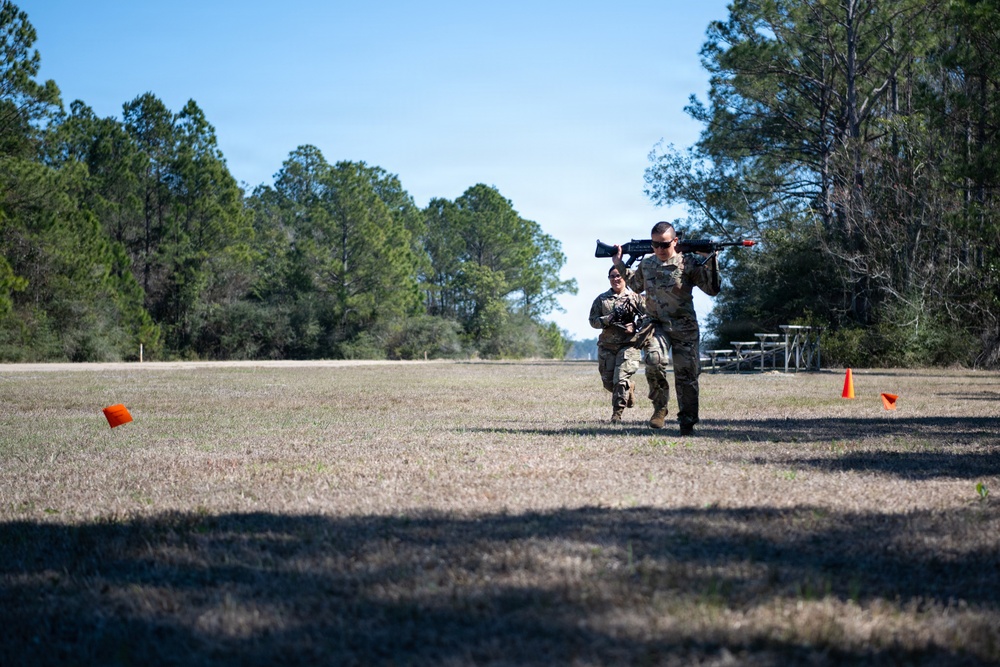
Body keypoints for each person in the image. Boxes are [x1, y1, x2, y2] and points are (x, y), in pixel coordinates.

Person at [613, 221, 720, 435]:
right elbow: (635, 285)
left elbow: (713, 289)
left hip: (684, 326)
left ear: (675, 241)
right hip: (656, 325)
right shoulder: (648, 264)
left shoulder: (688, 263)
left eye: (665, 245)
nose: (660, 249)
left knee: (687, 375)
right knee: (653, 361)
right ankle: (660, 408)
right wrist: (620, 263)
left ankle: (687, 421)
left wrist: (711, 260)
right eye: (655, 245)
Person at [588, 265, 647, 424]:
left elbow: (649, 316)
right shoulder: (601, 299)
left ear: (625, 278)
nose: (615, 279)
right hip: (607, 346)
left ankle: (617, 415)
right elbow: (592, 321)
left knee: (620, 380)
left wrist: (636, 326)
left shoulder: (635, 297)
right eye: (612, 276)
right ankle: (630, 388)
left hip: (629, 345)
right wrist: (607, 319)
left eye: (619, 275)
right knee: (609, 383)